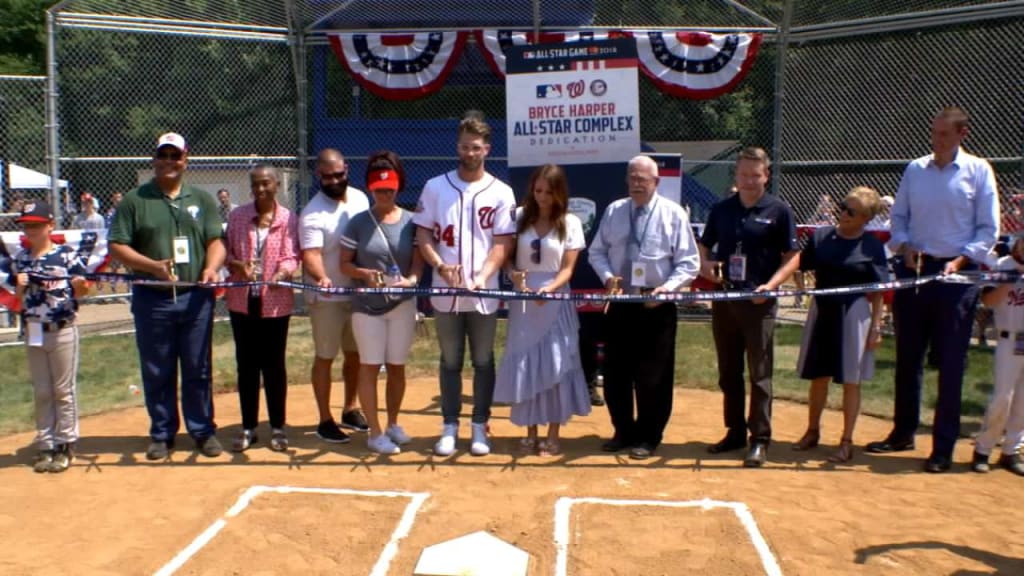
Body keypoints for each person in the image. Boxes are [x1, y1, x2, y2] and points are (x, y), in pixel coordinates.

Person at [867, 107, 1000, 473]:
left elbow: (988, 229)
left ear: (962, 134)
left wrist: (959, 261)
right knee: (908, 356)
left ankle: (943, 447)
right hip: (915, 270)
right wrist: (906, 244)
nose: (936, 140)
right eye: (934, 133)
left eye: (944, 134)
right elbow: (899, 218)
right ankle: (902, 432)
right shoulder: (916, 169)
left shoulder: (978, 171)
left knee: (951, 363)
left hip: (957, 276)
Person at [108, 132, 226, 460]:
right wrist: (152, 267)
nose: (170, 162)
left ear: (186, 160)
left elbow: (216, 240)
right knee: (157, 367)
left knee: (197, 366)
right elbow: (117, 245)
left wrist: (211, 268)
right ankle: (162, 432)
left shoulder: (201, 200)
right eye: (164, 156)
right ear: (154, 159)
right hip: (152, 297)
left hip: (195, 296)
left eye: (176, 156)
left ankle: (202, 430)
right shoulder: (135, 200)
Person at [414, 114, 516, 457]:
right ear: (457, 147)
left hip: (483, 292)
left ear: (486, 149)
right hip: (445, 290)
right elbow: (423, 234)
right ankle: (449, 427)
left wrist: (482, 277)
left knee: (484, 360)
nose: (469, 152)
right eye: (464, 146)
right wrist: (440, 265)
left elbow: (502, 244)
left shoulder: (501, 191)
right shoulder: (435, 186)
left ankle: (479, 427)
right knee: (450, 361)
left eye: (475, 147)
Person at [588, 155, 700, 460]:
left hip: (656, 306)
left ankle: (649, 436)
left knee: (654, 376)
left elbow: (689, 263)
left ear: (656, 182)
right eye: (633, 177)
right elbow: (596, 251)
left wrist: (668, 289)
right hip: (621, 303)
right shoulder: (614, 211)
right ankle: (623, 430)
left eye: (643, 179)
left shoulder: (673, 214)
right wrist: (608, 277)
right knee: (615, 374)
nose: (637, 183)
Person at [699, 146, 799, 468]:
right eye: (743, 175)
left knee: (759, 374)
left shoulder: (779, 210)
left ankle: (760, 439)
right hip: (726, 300)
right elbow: (702, 245)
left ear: (766, 175)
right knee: (729, 372)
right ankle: (735, 432)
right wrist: (705, 264)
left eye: (756, 175)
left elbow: (793, 256)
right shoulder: (722, 209)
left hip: (758, 302)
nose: (749, 181)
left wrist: (771, 286)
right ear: (736, 176)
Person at [497, 164, 591, 456]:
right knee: (526, 362)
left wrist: (550, 289)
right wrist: (514, 275)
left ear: (558, 193)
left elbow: (568, 268)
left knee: (555, 363)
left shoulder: (570, 222)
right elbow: (507, 258)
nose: (542, 197)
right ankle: (530, 430)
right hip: (524, 299)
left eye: (548, 192)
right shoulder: (520, 217)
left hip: (555, 297)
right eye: (538, 191)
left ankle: (552, 432)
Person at [791, 187, 889, 463]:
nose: (843, 213)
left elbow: (879, 289)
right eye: (843, 206)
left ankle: (846, 441)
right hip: (822, 309)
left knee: (850, 380)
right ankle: (812, 431)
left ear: (865, 219)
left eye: (851, 211)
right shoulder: (821, 236)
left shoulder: (872, 245)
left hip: (854, 312)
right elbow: (797, 263)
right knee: (818, 376)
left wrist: (876, 326)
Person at [340, 151, 424, 454]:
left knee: (397, 366)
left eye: (389, 189)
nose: (384, 194)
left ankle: (392, 423)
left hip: (401, 304)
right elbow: (344, 264)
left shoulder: (412, 222)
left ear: (398, 188)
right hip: (367, 307)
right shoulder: (358, 223)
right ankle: (374, 432)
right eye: (379, 190)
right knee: (370, 365)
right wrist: (363, 273)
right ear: (371, 189)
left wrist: (412, 280)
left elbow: (418, 262)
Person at [224, 165, 300, 452]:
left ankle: (278, 427)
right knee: (246, 366)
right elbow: (228, 252)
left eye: (266, 184)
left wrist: (282, 272)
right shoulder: (238, 216)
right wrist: (238, 265)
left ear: (277, 185)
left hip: (275, 302)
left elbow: (293, 255)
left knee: (274, 366)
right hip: (242, 302)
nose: (260, 189)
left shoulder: (288, 218)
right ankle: (248, 427)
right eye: (255, 184)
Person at [10, 200, 89, 472]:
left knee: (62, 391)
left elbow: (83, 292)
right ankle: (45, 444)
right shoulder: (21, 259)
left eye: (36, 225)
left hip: (62, 329)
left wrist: (80, 286)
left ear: (50, 226)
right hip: (33, 330)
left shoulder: (66, 256)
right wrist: (19, 287)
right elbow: (16, 300)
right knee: (42, 391)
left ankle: (66, 444)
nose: (31, 231)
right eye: (27, 226)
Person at [300, 148, 370, 443]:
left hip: (356, 294)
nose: (334, 181)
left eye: (338, 175)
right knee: (325, 356)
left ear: (346, 170)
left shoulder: (360, 198)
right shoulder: (312, 213)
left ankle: (350, 408)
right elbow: (311, 254)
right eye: (327, 177)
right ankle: (325, 419)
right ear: (319, 176)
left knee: (354, 354)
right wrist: (322, 277)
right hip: (326, 298)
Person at [971, 235, 1024, 476]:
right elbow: (989, 300)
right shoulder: (1003, 265)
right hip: (1008, 338)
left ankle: (1011, 450)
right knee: (1003, 397)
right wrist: (1009, 282)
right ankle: (983, 448)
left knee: (1023, 402)